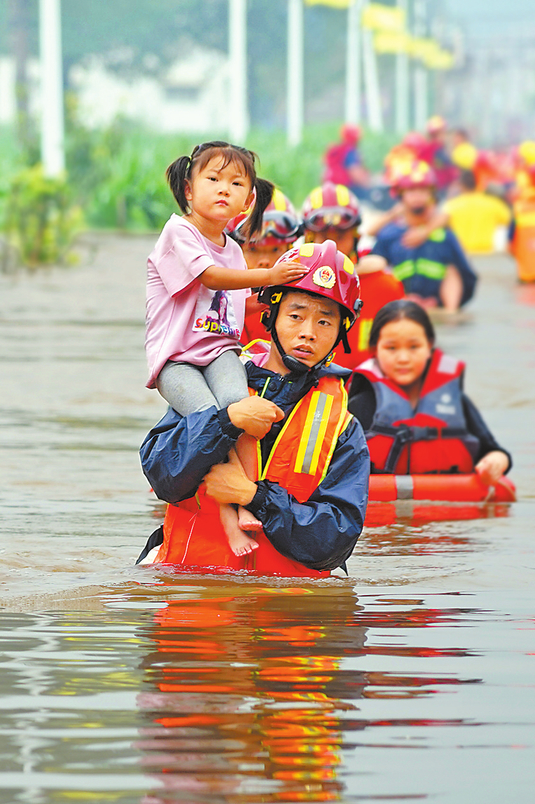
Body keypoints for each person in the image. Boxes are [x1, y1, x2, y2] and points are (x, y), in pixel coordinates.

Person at [139, 241, 370, 576]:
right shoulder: (214, 380)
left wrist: (253, 497)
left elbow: (334, 543)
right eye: (296, 315)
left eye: (324, 322)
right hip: (193, 599)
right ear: (270, 315)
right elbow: (162, 475)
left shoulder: (344, 428)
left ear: (340, 334)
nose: (308, 333)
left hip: (285, 615)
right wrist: (225, 422)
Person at [147, 141, 307, 559]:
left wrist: (291, 294)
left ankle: (244, 502)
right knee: (211, 424)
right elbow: (214, 279)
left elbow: (240, 301)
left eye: (236, 183)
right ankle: (230, 523)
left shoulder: (234, 248)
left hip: (219, 352)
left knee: (245, 410)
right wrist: (271, 273)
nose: (224, 189)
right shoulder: (179, 231)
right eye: (213, 179)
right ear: (188, 188)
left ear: (248, 199)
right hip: (178, 359)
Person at [348, 299, 511, 484]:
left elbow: (493, 450)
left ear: (429, 347)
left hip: (447, 506)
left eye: (414, 347)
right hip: (382, 507)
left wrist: (496, 461)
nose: (403, 358)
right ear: (375, 350)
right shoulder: (359, 405)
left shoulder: (454, 400)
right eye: (391, 348)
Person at [301, 182, 403, 370]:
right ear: (309, 238)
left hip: (367, 390)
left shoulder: (386, 286)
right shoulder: (291, 286)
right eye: (324, 236)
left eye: (340, 236)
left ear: (356, 236)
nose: (332, 246)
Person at [359, 163, 478, 312]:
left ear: (431, 195)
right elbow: (372, 278)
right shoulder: (390, 235)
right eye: (411, 191)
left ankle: (450, 313)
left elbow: (467, 278)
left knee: (452, 269)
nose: (417, 196)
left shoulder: (445, 236)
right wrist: (401, 299)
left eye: (423, 190)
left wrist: (437, 302)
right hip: (400, 308)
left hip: (438, 309)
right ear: (401, 195)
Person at [227, 187, 303, 346]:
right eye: (253, 249)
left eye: (275, 249)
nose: (265, 262)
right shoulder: (222, 302)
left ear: (291, 249)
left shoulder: (303, 298)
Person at [442, 169, 512, 255]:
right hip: (487, 255)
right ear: (480, 183)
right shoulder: (494, 204)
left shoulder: (451, 206)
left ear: (461, 185)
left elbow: (442, 225)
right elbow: (510, 222)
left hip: (461, 254)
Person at [323, 123, 371, 195]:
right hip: (347, 189)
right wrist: (369, 184)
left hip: (331, 189)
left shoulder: (336, 150)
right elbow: (355, 174)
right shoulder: (350, 152)